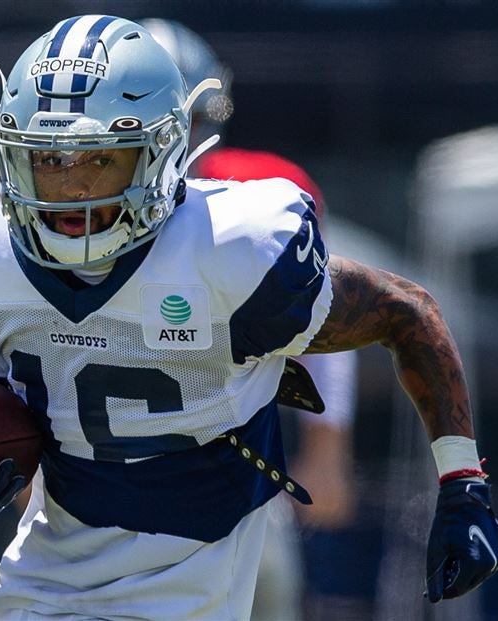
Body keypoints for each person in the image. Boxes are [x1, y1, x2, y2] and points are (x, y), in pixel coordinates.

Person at [0, 15, 498, 620]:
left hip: (192, 592)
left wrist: (462, 482)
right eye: (49, 161)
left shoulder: (233, 251)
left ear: (162, 149)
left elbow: (405, 311)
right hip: (40, 588)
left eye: (99, 159)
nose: (71, 190)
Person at [140, 18, 361, 619]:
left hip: (235, 464)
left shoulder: (257, 199)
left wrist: (329, 444)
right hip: (97, 469)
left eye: (181, 124)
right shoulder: (59, 213)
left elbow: (323, 317)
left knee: (270, 594)